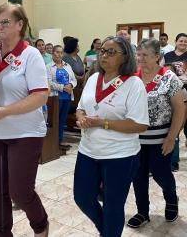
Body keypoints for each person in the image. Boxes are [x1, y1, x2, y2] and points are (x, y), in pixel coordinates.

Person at [0, 2, 49, 237]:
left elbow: (40, 96)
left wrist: (4, 111)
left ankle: (40, 225)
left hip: (25, 133)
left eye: (5, 22)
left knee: (20, 192)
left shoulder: (31, 55)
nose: (0, 27)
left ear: (20, 24)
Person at [74, 36, 149, 237]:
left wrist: (102, 123)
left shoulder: (133, 84)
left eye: (111, 52)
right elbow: (81, 107)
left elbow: (140, 124)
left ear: (125, 57)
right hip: (88, 151)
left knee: (113, 205)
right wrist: (81, 117)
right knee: (82, 197)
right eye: (103, 51)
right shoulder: (93, 79)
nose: (104, 55)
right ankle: (106, 231)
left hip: (120, 155)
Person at [127, 39, 184, 228]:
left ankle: (171, 200)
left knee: (161, 174)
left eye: (145, 55)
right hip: (135, 139)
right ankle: (142, 211)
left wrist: (171, 138)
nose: (140, 59)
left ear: (157, 56)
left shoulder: (169, 77)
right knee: (138, 176)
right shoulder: (132, 78)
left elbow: (180, 109)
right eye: (139, 54)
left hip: (161, 138)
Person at [163, 32, 187, 171]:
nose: (183, 43)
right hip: (170, 92)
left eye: (186, 42)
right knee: (174, 127)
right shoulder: (168, 56)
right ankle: (172, 160)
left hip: (185, 93)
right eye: (181, 41)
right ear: (176, 41)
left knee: (180, 126)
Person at [46, 45, 77, 150]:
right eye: (57, 52)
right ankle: (52, 142)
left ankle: (59, 141)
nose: (59, 54)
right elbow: (49, 82)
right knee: (55, 120)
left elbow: (74, 79)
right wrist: (63, 87)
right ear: (52, 53)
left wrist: (71, 85)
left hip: (67, 96)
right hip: (55, 97)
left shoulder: (67, 65)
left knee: (62, 120)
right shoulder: (49, 67)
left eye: (61, 52)